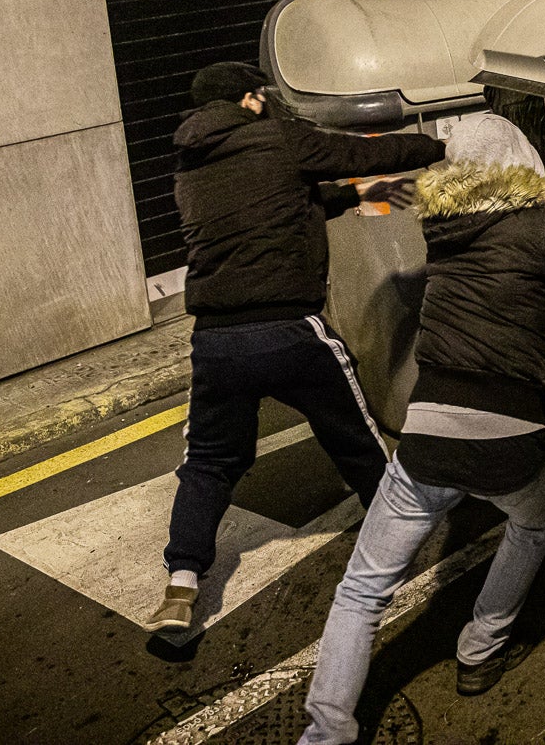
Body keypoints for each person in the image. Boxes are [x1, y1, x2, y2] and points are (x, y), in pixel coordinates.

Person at [298, 114, 545, 745]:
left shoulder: (446, 228)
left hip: (427, 431)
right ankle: (479, 651)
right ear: (524, 161)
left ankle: (325, 733)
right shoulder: (539, 227)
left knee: (361, 589)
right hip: (509, 433)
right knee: (533, 521)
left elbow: (527, 250)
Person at [145, 62, 445, 634]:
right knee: (355, 439)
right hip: (289, 328)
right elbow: (357, 156)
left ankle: (180, 587)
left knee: (208, 461)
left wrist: (367, 196)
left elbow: (281, 205)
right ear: (252, 99)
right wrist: (434, 147)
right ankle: (397, 544)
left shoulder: (189, 164)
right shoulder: (276, 136)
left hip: (215, 339)